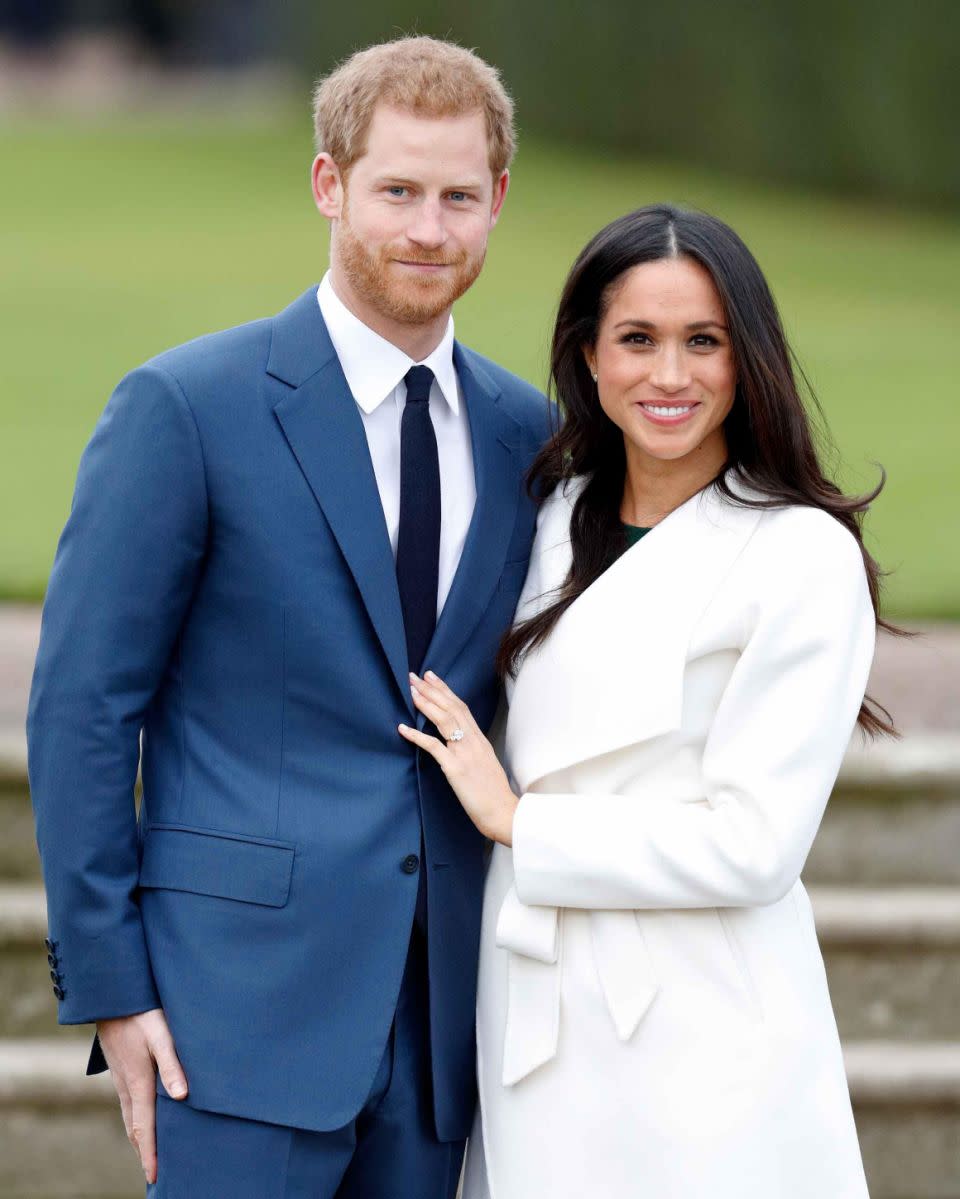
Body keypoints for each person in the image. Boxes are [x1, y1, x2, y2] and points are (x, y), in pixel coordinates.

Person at [27, 35, 551, 1199]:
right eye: (397, 191)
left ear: (498, 201)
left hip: (440, 1031)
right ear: (329, 185)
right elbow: (82, 709)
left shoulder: (531, 436)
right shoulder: (187, 407)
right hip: (231, 1020)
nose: (428, 227)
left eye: (458, 196)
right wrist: (112, 987)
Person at [398, 204, 893, 1198]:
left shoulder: (799, 553)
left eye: (703, 341)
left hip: (704, 1022)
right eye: (637, 339)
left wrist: (522, 821)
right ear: (587, 356)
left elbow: (755, 843)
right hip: (531, 997)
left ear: (745, 358)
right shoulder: (541, 516)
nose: (670, 376)